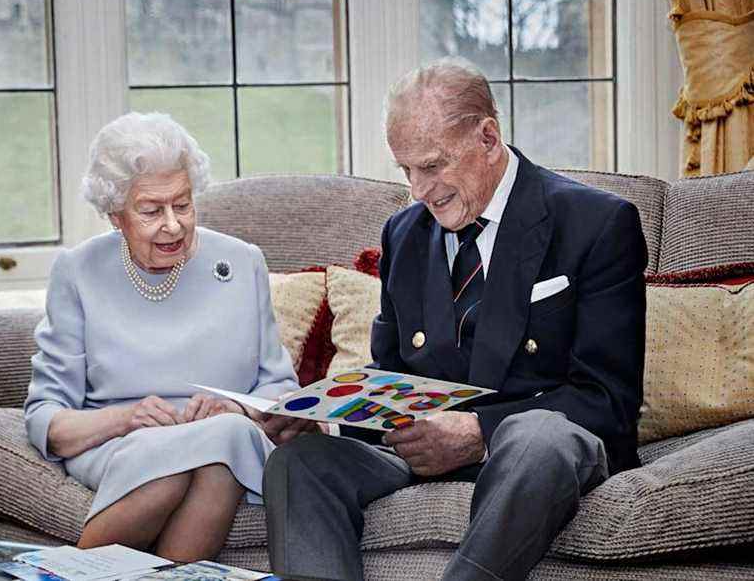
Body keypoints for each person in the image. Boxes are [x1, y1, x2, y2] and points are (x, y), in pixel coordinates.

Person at [261, 58, 647, 581]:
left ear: (488, 137)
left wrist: (477, 432)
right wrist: (327, 416)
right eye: (406, 171)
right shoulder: (404, 234)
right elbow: (391, 376)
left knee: (537, 436)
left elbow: (609, 400)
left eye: (432, 165)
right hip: (422, 453)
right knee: (299, 463)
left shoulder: (596, 223)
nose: (419, 190)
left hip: (535, 453)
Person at [24, 112, 298, 561]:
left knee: (222, 443)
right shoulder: (78, 271)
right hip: (118, 441)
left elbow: (280, 389)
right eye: (151, 210)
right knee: (192, 462)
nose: (173, 224)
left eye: (183, 204)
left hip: (227, 436)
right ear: (115, 215)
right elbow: (47, 418)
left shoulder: (242, 262)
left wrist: (236, 406)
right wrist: (126, 418)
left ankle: (68, 571)